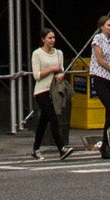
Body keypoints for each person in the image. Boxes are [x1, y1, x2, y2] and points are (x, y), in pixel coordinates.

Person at [28, 28, 72, 159]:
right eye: (49, 38)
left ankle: (35, 149)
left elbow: (61, 70)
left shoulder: (59, 53)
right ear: (43, 39)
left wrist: (60, 75)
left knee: (44, 121)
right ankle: (61, 148)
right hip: (42, 91)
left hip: (54, 91)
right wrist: (52, 69)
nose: (52, 40)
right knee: (53, 118)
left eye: (53, 38)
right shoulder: (37, 54)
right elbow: (37, 75)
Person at [87, 15, 110, 140]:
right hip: (100, 77)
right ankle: (105, 142)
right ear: (102, 27)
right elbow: (100, 59)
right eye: (109, 25)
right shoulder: (98, 39)